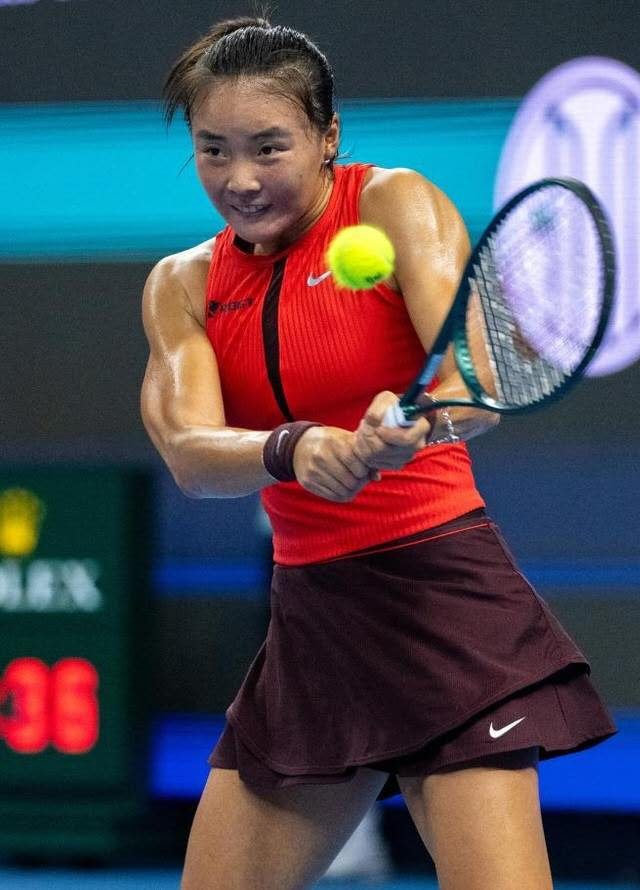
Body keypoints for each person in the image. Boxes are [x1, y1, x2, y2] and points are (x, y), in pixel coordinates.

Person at [141, 16, 616, 890]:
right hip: (313, 618)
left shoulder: (395, 204)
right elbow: (189, 453)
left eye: (269, 148)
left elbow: (474, 375)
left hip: (441, 598)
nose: (240, 179)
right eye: (213, 151)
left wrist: (420, 423)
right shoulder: (184, 284)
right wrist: (293, 448)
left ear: (328, 136)